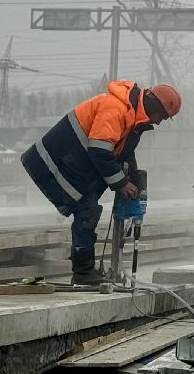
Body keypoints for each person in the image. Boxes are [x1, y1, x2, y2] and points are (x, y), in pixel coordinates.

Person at [20, 80, 181, 285]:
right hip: (54, 161)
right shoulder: (115, 108)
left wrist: (133, 178)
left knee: (87, 210)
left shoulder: (133, 119)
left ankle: (84, 270)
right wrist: (122, 183)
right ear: (152, 104)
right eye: (162, 116)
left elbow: (124, 153)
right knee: (86, 211)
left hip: (75, 163)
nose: (159, 122)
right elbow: (99, 150)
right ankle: (83, 273)